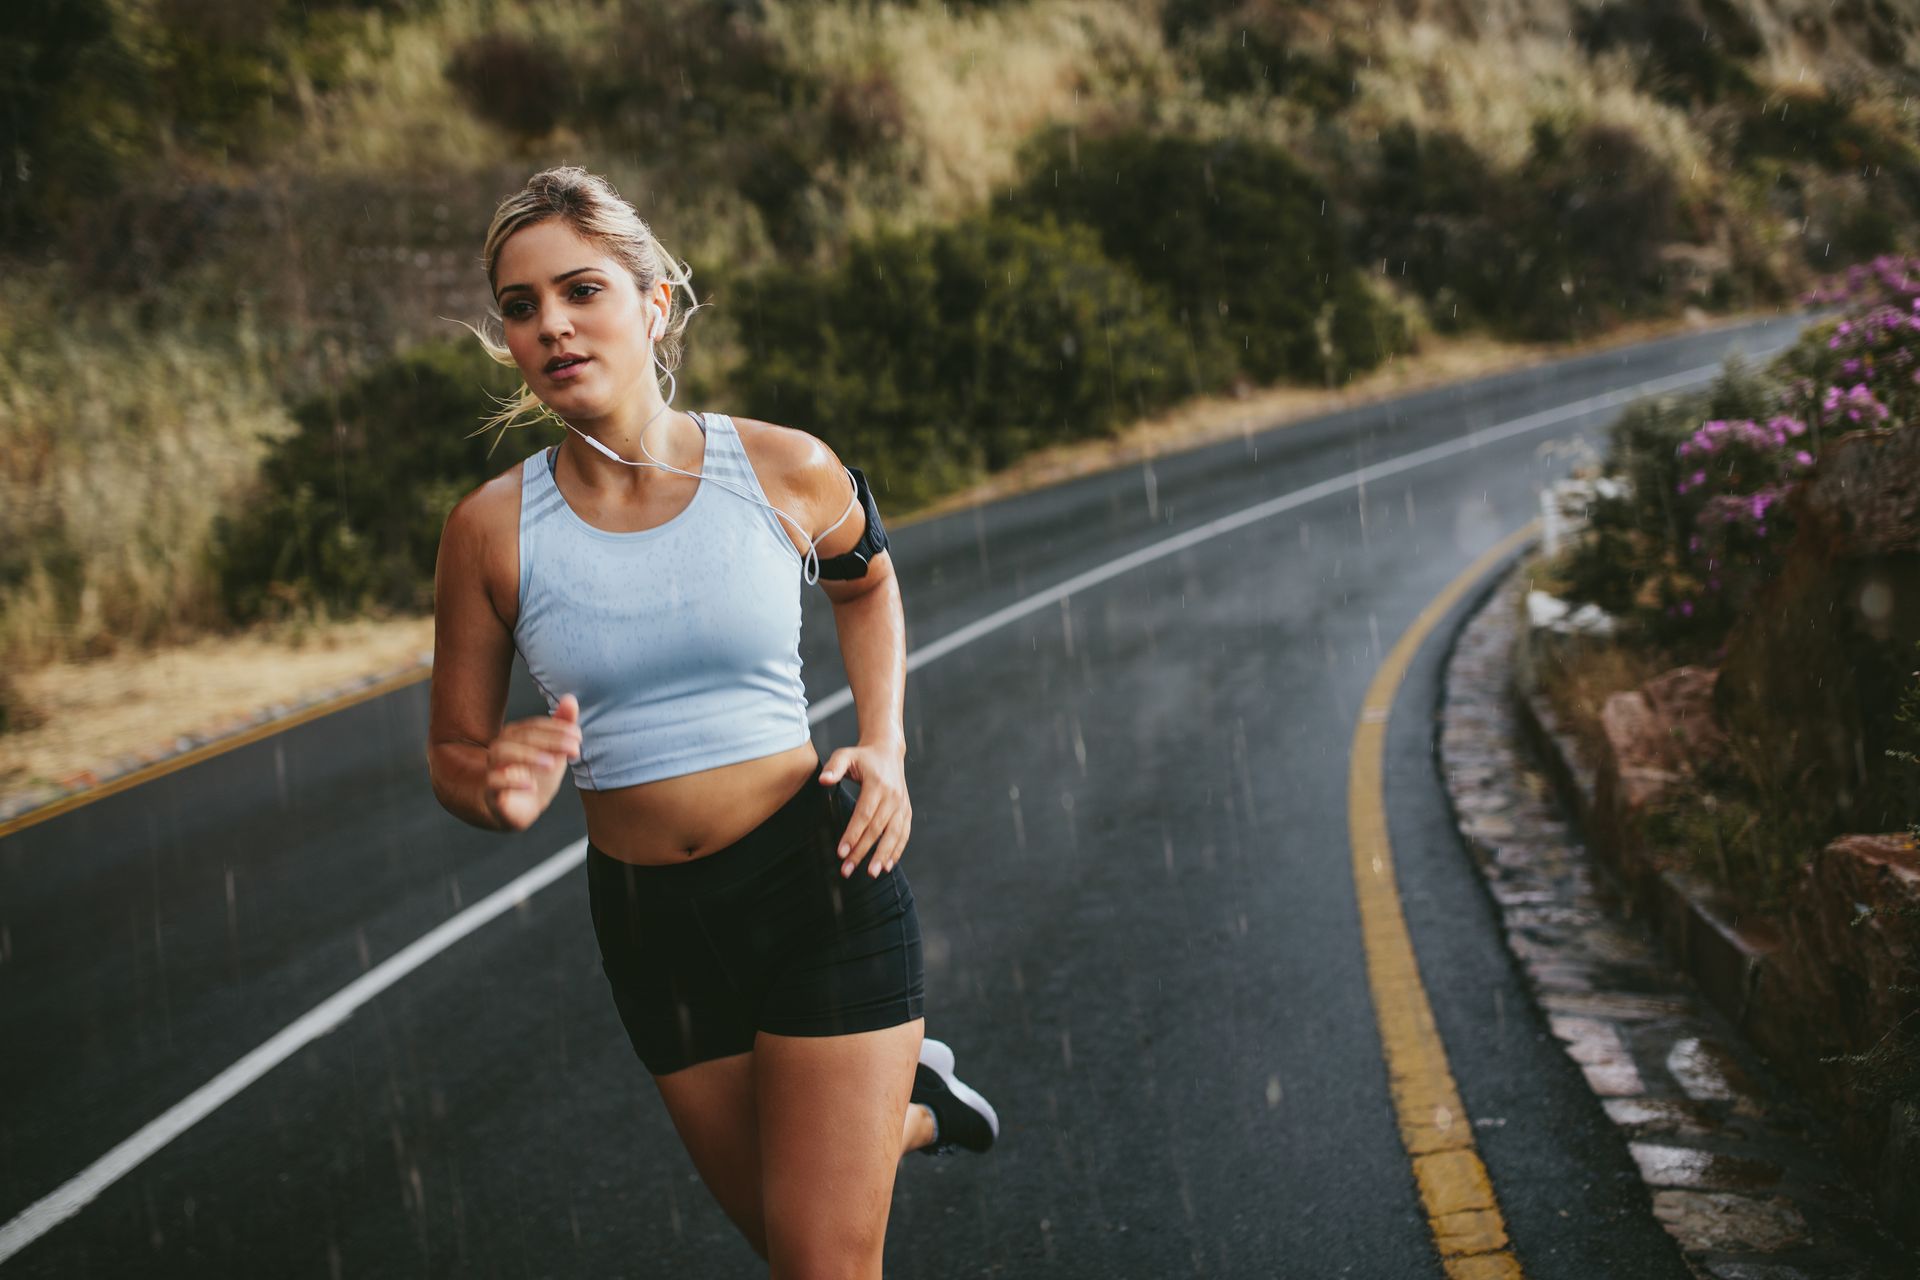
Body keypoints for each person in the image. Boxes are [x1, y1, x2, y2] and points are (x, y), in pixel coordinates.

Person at [425, 166, 997, 1276]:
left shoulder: (782, 467)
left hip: (817, 877)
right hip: (653, 926)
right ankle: (910, 1107)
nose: (550, 323)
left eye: (580, 289)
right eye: (520, 304)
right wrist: (492, 787)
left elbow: (866, 584)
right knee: (793, 1249)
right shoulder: (489, 531)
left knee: (827, 1267)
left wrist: (884, 741)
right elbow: (453, 750)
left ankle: (892, 1099)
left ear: (654, 301)